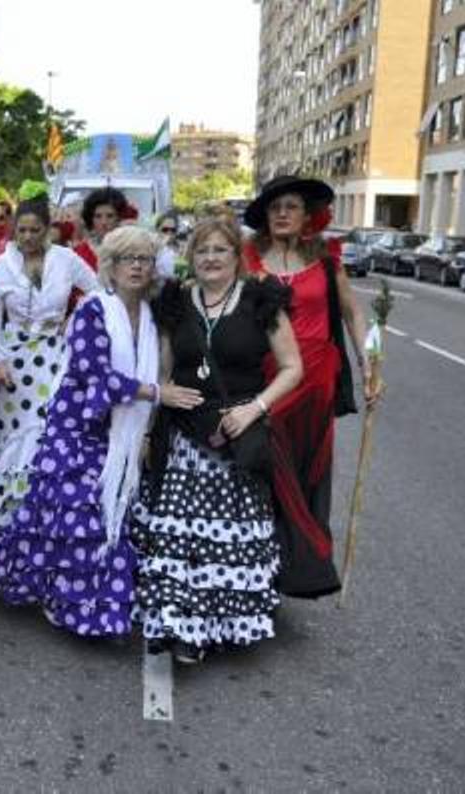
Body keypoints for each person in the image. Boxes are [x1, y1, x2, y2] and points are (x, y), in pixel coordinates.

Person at [133, 217, 302, 664]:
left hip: (234, 435)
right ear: (192, 257)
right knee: (178, 538)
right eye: (202, 250)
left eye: (220, 250)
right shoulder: (174, 301)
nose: (210, 258)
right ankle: (177, 624)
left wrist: (255, 409)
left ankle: (213, 626)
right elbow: (165, 368)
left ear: (236, 256)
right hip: (184, 435)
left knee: (221, 542)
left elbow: (292, 368)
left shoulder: (261, 301)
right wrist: (158, 403)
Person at [0, 227, 161, 637]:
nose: (136, 266)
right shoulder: (93, 310)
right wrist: (154, 392)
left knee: (98, 522)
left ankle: (82, 600)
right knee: (73, 519)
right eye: (126, 259)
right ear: (110, 268)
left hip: (119, 432)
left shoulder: (152, 316)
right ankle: (63, 598)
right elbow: (94, 374)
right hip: (77, 426)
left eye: (144, 259)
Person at [242, 175, 377, 599]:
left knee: (304, 479)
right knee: (263, 473)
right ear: (266, 216)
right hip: (267, 383)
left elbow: (355, 314)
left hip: (317, 387)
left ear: (306, 217)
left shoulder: (326, 259)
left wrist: (369, 365)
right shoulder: (248, 258)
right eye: (275, 207)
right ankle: (262, 566)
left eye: (292, 207)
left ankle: (291, 569)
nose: (282, 213)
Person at [0, 196, 99, 515]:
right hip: (13, 357)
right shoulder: (4, 263)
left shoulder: (66, 259)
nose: (27, 237)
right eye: (21, 231)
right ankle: (12, 508)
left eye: (34, 230)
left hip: (54, 354)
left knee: (46, 424)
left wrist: (74, 317)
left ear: (47, 230)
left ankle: (45, 501)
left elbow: (98, 291)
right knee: (14, 431)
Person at [74, 188, 130, 271]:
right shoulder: (79, 253)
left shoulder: (129, 250)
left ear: (119, 218)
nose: (104, 222)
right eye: (98, 216)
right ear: (90, 219)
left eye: (110, 216)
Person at [154, 209, 184, 280]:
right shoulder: (152, 248)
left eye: (173, 230)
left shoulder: (181, 249)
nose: (169, 233)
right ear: (157, 230)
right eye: (165, 229)